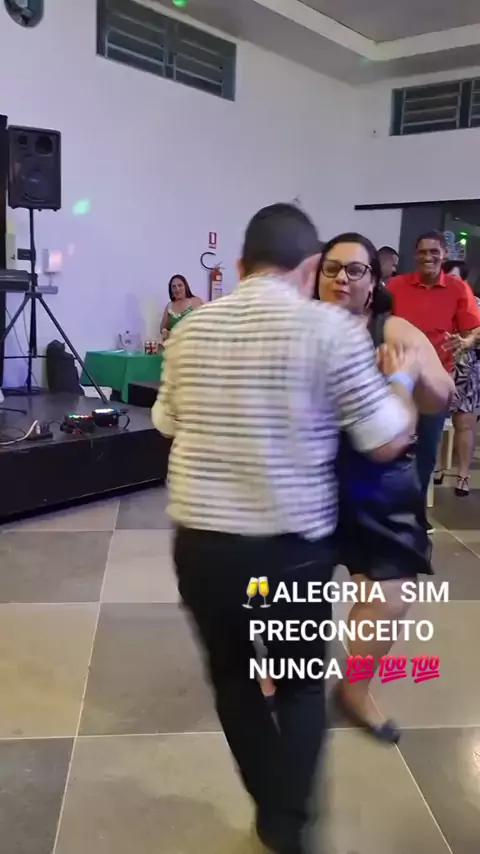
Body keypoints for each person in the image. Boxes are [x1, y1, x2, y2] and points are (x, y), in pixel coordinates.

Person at [152, 202, 419, 854]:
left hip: (202, 546)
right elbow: (386, 440)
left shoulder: (190, 327)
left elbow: (165, 422)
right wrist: (403, 380)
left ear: (241, 264)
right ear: (310, 267)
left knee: (233, 678)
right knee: (300, 687)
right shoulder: (330, 330)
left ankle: (272, 807)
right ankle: (286, 826)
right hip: (291, 551)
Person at [314, 232, 453, 742]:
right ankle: (286, 675)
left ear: (373, 281)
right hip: (308, 481)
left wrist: (411, 374)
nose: (342, 279)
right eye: (332, 268)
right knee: (290, 593)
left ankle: (354, 688)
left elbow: (442, 396)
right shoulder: (296, 328)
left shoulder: (392, 329)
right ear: (316, 275)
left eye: (356, 270)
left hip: (381, 487)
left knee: (390, 599)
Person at [388, 231, 480, 531]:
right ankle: (390, 511)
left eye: (434, 252)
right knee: (392, 448)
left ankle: (415, 513)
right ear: (415, 255)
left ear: (444, 255)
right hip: (397, 381)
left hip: (435, 384)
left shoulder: (457, 288)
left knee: (426, 452)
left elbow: (474, 328)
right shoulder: (396, 286)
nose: (428, 257)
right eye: (423, 252)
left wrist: (466, 342)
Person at [434, 260, 480, 496]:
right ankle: (437, 468)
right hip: (438, 367)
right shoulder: (436, 302)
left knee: (464, 424)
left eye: (455, 278)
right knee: (434, 422)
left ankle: (463, 474)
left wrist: (468, 339)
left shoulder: (475, 304)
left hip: (467, 370)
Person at [160, 274, 202, 341]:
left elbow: (204, 324)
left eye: (180, 285)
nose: (177, 289)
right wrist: (164, 331)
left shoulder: (196, 301)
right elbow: (162, 328)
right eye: (174, 287)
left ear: (185, 286)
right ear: (171, 290)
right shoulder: (169, 306)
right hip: (173, 344)